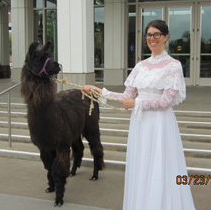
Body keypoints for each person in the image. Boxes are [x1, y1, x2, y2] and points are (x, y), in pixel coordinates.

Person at [82, 20, 196, 210]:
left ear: (166, 37)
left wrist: (137, 103)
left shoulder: (173, 66)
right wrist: (99, 91)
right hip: (140, 123)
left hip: (160, 123)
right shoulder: (141, 66)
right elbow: (127, 96)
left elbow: (166, 101)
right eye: (149, 35)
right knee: (142, 165)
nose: (152, 38)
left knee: (161, 165)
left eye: (157, 34)